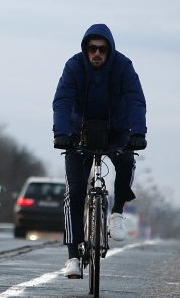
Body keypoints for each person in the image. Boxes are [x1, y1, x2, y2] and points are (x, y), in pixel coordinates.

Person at [52, 23, 147, 278]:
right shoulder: (74, 66)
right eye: (92, 49)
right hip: (78, 132)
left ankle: (116, 212)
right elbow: (62, 100)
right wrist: (60, 133)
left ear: (109, 50)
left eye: (102, 50)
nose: (96, 54)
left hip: (116, 130)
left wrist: (138, 133)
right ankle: (73, 256)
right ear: (85, 50)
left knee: (127, 161)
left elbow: (135, 99)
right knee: (75, 192)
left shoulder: (123, 67)